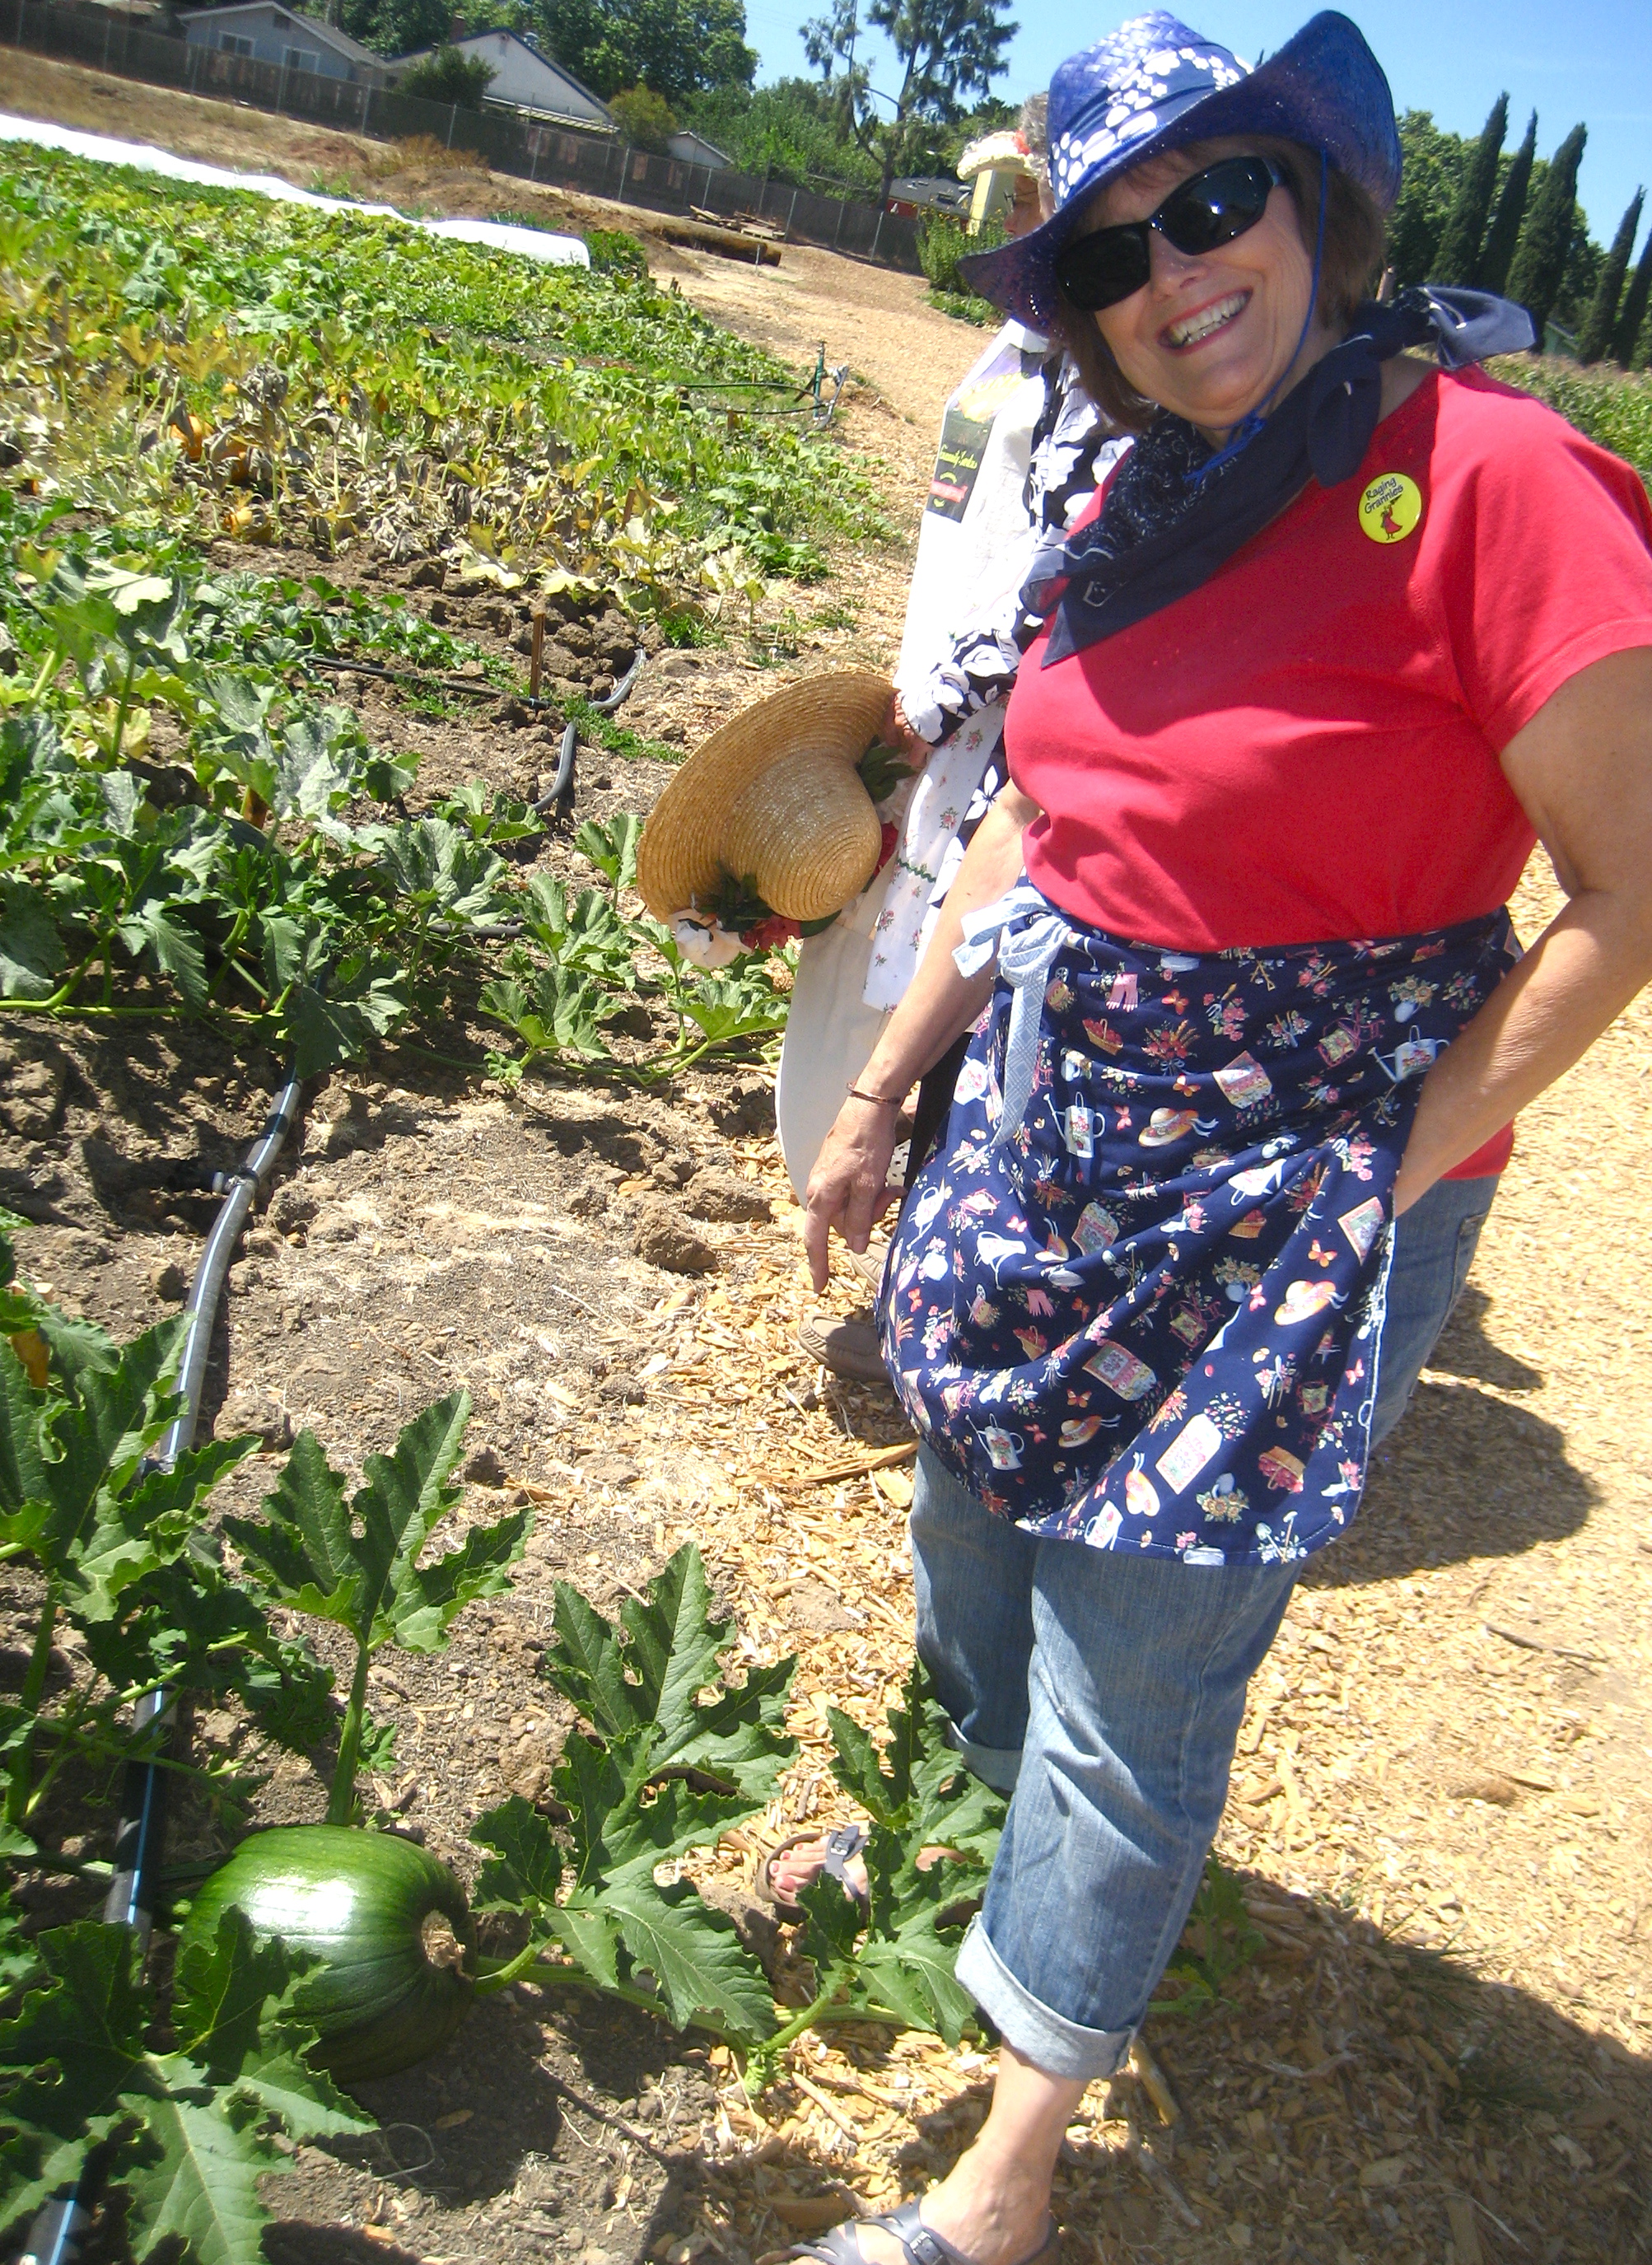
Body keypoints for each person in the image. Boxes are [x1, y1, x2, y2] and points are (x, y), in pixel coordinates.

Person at [786, 12, 1652, 2264]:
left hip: (1302, 1180)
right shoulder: (1129, 497)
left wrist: (1390, 1166)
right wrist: (883, 1092)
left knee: (1140, 1645)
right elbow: (1033, 832)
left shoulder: (1490, 477)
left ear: (1308, 198)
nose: (1171, 276)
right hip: (1046, 1127)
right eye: (1107, 255)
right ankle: (962, 1857)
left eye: (1210, 204)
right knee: (971, 1516)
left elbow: (1629, 884)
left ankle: (1003, 2177)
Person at [777, 104, 1121, 1310]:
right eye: (1002, 197)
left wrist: (941, 697)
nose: (1006, 217)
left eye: (1026, 194)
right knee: (918, 964)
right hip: (951, 703)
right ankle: (916, 1257)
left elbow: (1065, 565)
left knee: (976, 983)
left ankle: (935, 1285)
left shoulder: (1108, 364)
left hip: (1010, 722)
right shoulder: (1023, 339)